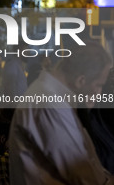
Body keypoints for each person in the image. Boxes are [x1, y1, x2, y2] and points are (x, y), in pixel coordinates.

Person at [10, 42, 114, 185]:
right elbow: (83, 174)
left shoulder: (51, 97)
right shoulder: (50, 103)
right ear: (81, 80)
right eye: (99, 85)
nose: (99, 92)